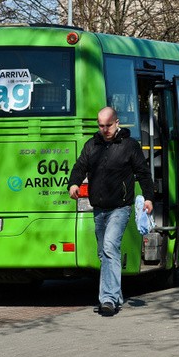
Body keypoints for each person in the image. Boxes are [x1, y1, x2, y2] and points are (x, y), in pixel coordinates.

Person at [68, 107, 154, 316]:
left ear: (117, 123)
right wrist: (73, 184)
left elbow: (143, 173)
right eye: (100, 125)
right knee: (103, 253)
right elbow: (79, 167)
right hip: (99, 208)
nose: (104, 129)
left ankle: (107, 300)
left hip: (120, 207)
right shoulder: (92, 145)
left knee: (109, 247)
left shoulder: (129, 146)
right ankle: (116, 295)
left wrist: (150, 198)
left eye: (108, 125)